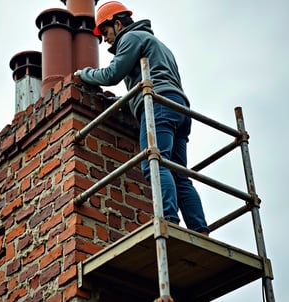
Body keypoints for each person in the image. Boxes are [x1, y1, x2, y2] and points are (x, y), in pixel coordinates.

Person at [75, 1, 209, 235]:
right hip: (178, 108)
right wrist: (120, 103)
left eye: (106, 32)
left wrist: (82, 74)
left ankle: (169, 221)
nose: (106, 39)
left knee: (154, 162)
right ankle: (200, 230)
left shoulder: (131, 38)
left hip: (158, 105)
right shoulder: (158, 44)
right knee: (179, 173)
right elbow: (147, 82)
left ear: (117, 24)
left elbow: (111, 75)